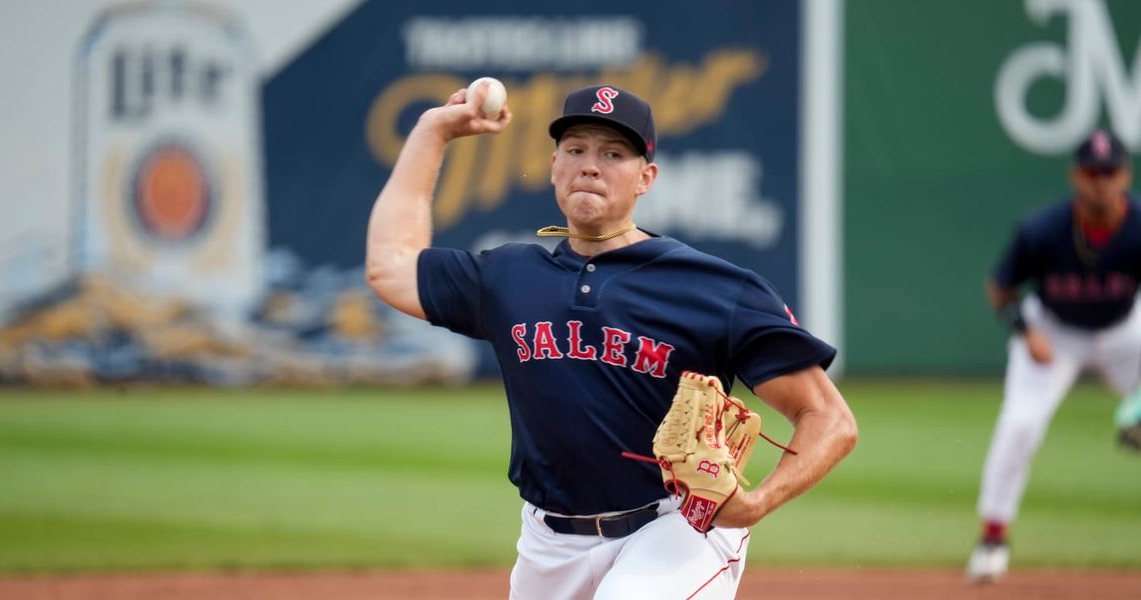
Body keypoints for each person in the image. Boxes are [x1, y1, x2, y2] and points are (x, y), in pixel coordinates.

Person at [365, 82, 857, 599]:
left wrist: (756, 505)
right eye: (575, 150)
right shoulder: (507, 276)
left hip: (675, 529)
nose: (590, 165)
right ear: (555, 166)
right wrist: (431, 131)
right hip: (547, 543)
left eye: (613, 153)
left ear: (646, 177)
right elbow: (390, 266)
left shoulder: (715, 288)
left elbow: (831, 419)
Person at [967, 129, 1141, 584]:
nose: (1100, 180)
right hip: (1054, 332)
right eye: (1091, 171)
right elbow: (999, 289)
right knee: (1020, 424)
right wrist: (1025, 331)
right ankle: (992, 538)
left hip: (1125, 332)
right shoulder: (1042, 229)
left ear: (1125, 174)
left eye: (1109, 171)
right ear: (1075, 177)